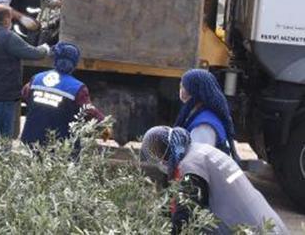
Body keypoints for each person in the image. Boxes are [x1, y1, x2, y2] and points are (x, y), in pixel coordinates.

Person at [141, 126, 289, 234]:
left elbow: (186, 214)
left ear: (164, 156)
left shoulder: (191, 167)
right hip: (270, 225)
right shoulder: (201, 151)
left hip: (252, 230)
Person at [0, 4, 50, 138]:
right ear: (6, 20)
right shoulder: (7, 37)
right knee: (3, 143)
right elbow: (34, 53)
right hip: (2, 99)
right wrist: (45, 48)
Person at [20, 42, 105, 145]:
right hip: (60, 147)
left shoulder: (36, 79)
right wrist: (104, 125)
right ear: (74, 64)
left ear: (55, 60)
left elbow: (25, 95)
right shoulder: (78, 88)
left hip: (31, 141)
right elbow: (89, 112)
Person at [175, 69, 239, 160]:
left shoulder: (204, 125)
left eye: (183, 86)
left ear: (194, 91)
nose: (180, 89)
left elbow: (196, 161)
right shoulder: (202, 114)